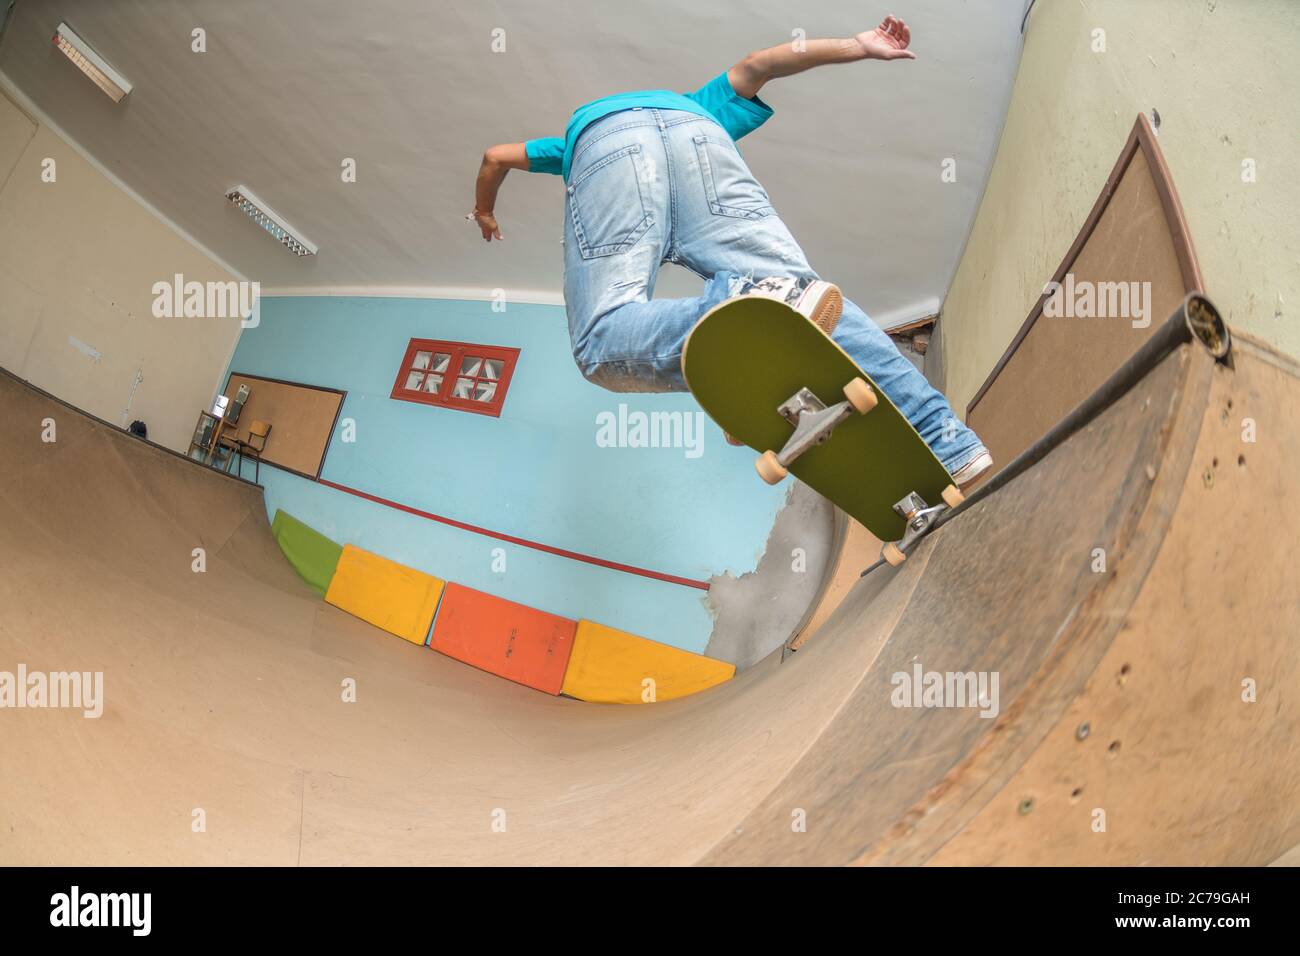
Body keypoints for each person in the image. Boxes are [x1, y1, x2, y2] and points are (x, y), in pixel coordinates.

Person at [469, 16, 991, 485]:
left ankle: (744, 307)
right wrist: (858, 45)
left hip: (604, 146)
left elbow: (495, 157)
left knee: (600, 342)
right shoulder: (697, 104)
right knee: (808, 298)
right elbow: (759, 64)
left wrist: (486, 211)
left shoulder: (570, 145)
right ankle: (949, 442)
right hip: (701, 138)